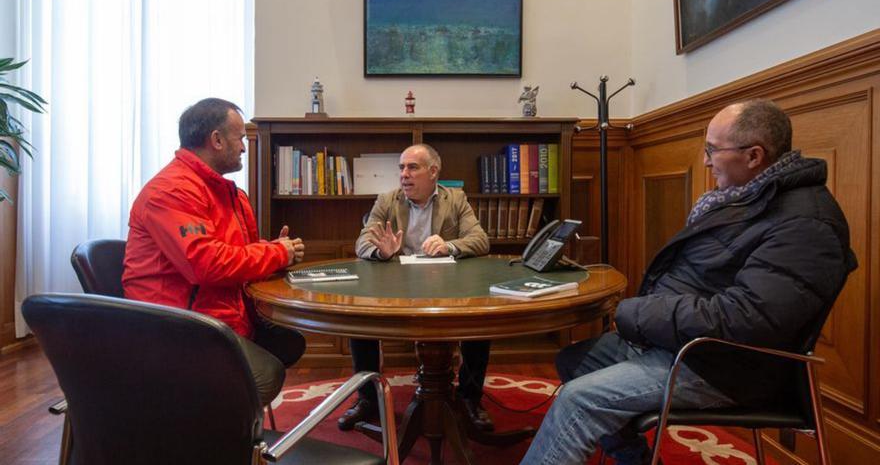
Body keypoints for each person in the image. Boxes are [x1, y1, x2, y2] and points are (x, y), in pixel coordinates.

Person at [519, 99, 857, 465]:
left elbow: (747, 320)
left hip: (723, 366)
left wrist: (640, 313)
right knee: (576, 359)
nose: (706, 161)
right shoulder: (748, 199)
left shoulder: (805, 225)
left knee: (578, 398)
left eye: (713, 150)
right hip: (685, 343)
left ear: (755, 156)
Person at [122, 97, 307, 407]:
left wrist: (274, 251)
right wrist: (277, 254)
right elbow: (207, 265)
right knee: (265, 375)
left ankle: (229, 423)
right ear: (217, 140)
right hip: (178, 329)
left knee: (291, 342)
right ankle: (211, 433)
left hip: (219, 315)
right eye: (241, 139)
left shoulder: (228, 193)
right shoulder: (172, 190)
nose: (245, 148)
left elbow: (236, 253)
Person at [339, 143, 493, 432]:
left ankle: (470, 398)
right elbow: (362, 242)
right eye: (401, 168)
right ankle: (367, 399)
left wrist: (449, 245)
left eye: (413, 167)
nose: (404, 175)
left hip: (446, 287)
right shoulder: (387, 200)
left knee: (479, 321)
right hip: (396, 288)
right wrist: (381, 252)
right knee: (360, 320)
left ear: (433, 172)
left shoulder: (455, 199)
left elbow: (481, 240)